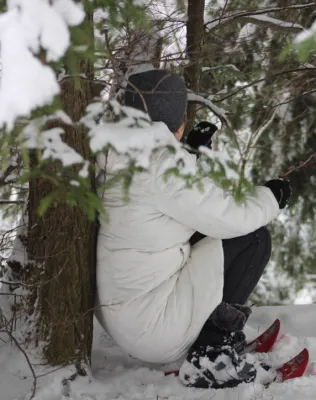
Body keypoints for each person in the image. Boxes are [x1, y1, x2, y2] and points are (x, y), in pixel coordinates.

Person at [95, 69, 291, 389]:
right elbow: (230, 216)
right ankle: (212, 352)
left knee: (206, 234)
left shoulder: (114, 155)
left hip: (126, 315)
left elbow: (171, 206)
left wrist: (193, 153)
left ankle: (209, 335)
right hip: (153, 328)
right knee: (253, 237)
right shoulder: (161, 167)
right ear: (177, 121)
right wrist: (271, 196)